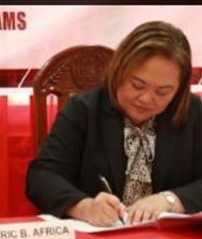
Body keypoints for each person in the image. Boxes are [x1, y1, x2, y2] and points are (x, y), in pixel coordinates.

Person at [26, 21, 202, 227]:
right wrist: (85, 207)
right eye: (137, 85)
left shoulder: (192, 112)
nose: (146, 99)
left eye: (162, 92)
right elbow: (41, 177)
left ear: (178, 90)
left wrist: (169, 200)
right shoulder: (84, 109)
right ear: (118, 71)